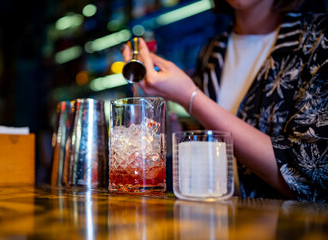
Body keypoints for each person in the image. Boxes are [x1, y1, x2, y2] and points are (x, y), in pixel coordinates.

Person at [122, 0, 328, 202]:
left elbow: (309, 177)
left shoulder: (318, 40)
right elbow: (204, 148)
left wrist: (190, 97)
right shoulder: (213, 50)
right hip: (216, 221)